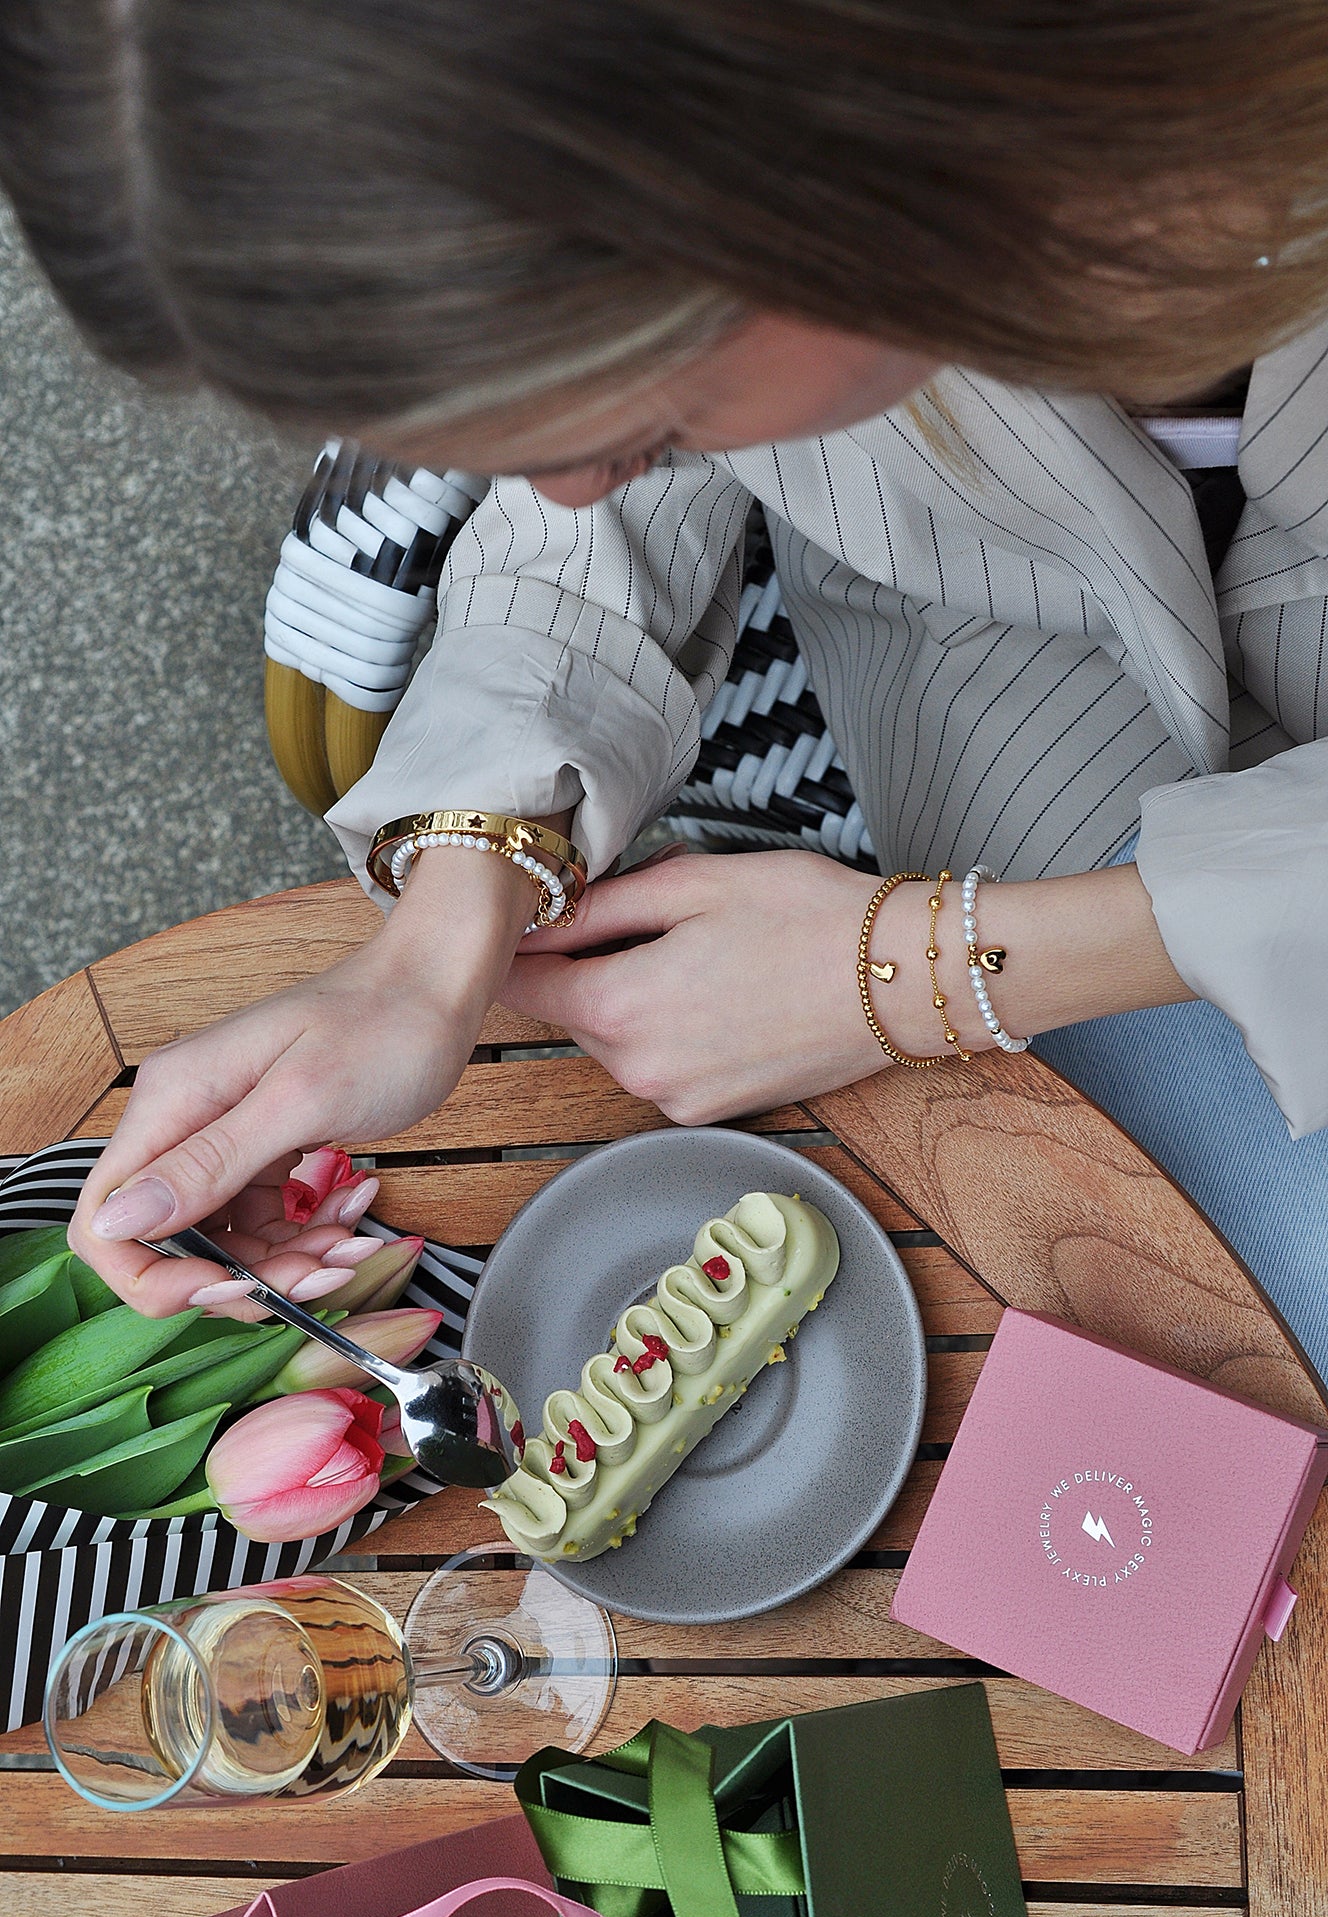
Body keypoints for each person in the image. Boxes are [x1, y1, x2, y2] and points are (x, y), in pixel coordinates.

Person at [4, 0, 1328, 1370]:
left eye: (641, 408)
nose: (567, 484)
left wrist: (914, 974)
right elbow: (590, 534)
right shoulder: (763, 161)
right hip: (1017, 758)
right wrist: (436, 946)